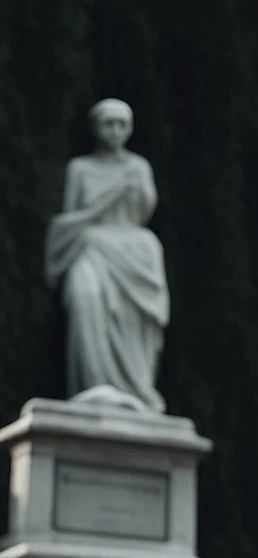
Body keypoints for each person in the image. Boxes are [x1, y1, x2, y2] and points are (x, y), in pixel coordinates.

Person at [45, 98, 170, 413]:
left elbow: (144, 210)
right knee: (86, 301)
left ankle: (136, 388)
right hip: (90, 245)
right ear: (96, 128)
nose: (115, 131)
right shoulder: (81, 168)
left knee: (133, 323)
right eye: (108, 123)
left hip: (133, 248)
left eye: (122, 124)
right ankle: (95, 384)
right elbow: (70, 218)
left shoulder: (139, 167)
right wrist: (110, 196)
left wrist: (135, 190)